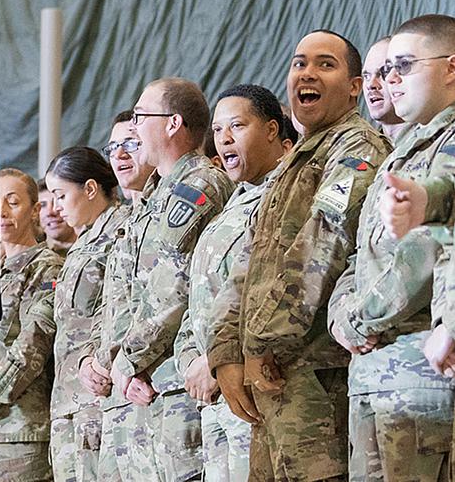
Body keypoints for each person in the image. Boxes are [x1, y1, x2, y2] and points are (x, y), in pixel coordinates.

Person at [224, 30, 390, 480]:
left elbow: (322, 247)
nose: (307, 73)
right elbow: (249, 264)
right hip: (273, 379)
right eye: (299, 63)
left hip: (316, 377)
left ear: (355, 86)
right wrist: (227, 354)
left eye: (325, 64)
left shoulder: (356, 151)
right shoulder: (292, 165)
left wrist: (260, 342)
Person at [109, 78, 235, 481]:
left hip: (179, 385)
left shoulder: (197, 185)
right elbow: (134, 290)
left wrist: (127, 360)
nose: (134, 128)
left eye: (140, 116)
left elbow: (174, 290)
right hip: (152, 382)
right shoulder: (158, 195)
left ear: (173, 123)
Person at [349, 14, 455, 480]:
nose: (389, 79)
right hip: (375, 372)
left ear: (451, 68)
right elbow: (361, 258)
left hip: (424, 370)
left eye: (404, 65)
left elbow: (441, 210)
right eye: (385, 68)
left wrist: (362, 316)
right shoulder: (400, 152)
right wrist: (342, 317)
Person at [174, 84, 290, 482]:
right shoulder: (232, 205)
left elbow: (271, 285)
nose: (224, 139)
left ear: (272, 130)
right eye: (218, 130)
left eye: (237, 126)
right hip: (214, 395)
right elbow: (198, 298)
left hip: (257, 385)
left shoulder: (288, 192)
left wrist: (218, 358)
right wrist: (191, 357)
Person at [0, 169, 61, 482]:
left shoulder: (45, 266)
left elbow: (34, 344)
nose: (2, 212)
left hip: (17, 434)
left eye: (13, 202)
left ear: (35, 210)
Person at [79, 110, 156, 481]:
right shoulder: (129, 222)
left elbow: (169, 300)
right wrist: (89, 361)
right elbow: (109, 310)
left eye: (131, 144)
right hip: (114, 396)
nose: (121, 155)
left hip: (149, 385)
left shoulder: (163, 214)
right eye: (114, 147)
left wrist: (121, 365)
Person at [43, 146, 128, 482]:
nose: (54, 208)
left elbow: (121, 307)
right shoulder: (82, 244)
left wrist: (99, 362)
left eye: (61, 195)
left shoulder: (120, 233)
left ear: (90, 188)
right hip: (69, 401)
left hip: (99, 396)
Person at [362, 36, 410, 141]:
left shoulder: (442, 143)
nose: (371, 85)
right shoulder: (361, 146)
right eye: (366, 76)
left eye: (383, 72)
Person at [38, 179, 78, 256]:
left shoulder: (92, 250)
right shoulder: (35, 258)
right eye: (42, 205)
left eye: (57, 202)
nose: (50, 212)